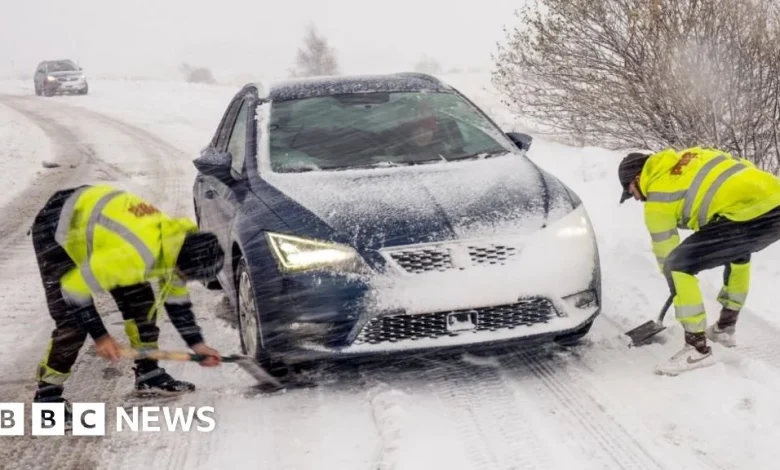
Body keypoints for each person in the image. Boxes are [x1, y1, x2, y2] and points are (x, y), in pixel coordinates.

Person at [30, 183, 226, 423]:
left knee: (142, 304)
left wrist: (197, 345)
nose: (186, 281)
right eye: (188, 276)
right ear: (183, 263)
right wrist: (101, 336)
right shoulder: (134, 252)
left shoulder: (177, 243)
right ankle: (47, 398)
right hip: (57, 224)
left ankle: (148, 373)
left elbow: (177, 304)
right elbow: (73, 289)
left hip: (103, 227)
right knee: (73, 322)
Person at [619, 146, 780, 375]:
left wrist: (677, 282)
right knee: (737, 254)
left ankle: (697, 348)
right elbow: (734, 166)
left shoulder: (657, 198)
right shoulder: (690, 156)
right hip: (772, 200)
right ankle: (725, 328)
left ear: (637, 177)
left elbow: (668, 258)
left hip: (747, 215)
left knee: (677, 265)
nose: (634, 198)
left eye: (630, 190)